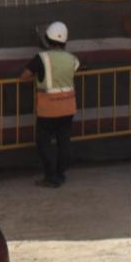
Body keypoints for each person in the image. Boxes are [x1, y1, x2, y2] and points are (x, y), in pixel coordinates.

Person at [21, 20, 79, 189]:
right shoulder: (72, 59)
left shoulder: (42, 58)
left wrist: (37, 77)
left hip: (48, 109)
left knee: (44, 142)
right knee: (64, 141)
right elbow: (75, 69)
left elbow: (24, 76)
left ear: (47, 39)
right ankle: (60, 174)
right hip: (68, 108)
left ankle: (51, 177)